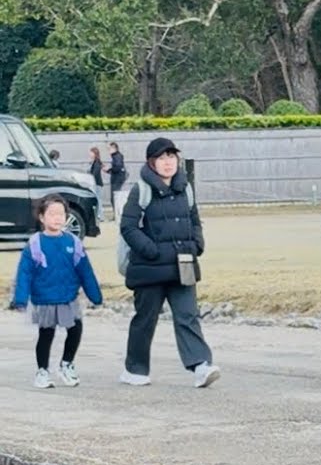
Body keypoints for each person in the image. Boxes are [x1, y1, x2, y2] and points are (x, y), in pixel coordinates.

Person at [119, 137, 220, 388]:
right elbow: (128, 227)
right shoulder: (140, 190)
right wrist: (151, 251)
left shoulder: (185, 188)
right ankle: (135, 369)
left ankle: (200, 365)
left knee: (187, 316)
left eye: (172, 157)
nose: (168, 163)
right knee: (145, 319)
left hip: (182, 265)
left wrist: (197, 244)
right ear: (151, 163)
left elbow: (195, 220)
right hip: (150, 268)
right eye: (162, 158)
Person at [9, 195, 103, 389]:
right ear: (42, 217)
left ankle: (66, 364)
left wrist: (95, 295)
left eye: (61, 214)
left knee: (75, 329)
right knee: (46, 334)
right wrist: (20, 299)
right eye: (52, 214)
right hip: (44, 298)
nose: (57, 218)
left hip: (68, 296)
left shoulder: (73, 242)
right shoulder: (35, 244)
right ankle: (42, 371)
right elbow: (24, 273)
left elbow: (85, 270)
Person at [105, 141, 127, 220]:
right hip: (116, 178)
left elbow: (117, 167)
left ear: (114, 148)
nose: (108, 151)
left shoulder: (117, 156)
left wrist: (109, 169)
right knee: (115, 197)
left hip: (117, 179)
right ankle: (116, 214)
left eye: (109, 149)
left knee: (115, 198)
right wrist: (108, 170)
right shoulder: (116, 156)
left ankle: (117, 215)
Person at [88, 147, 106, 222]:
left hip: (97, 184)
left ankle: (101, 216)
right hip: (97, 184)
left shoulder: (97, 163)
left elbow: (95, 174)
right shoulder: (95, 162)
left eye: (91, 152)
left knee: (99, 200)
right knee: (98, 200)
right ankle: (99, 216)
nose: (89, 154)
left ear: (95, 154)